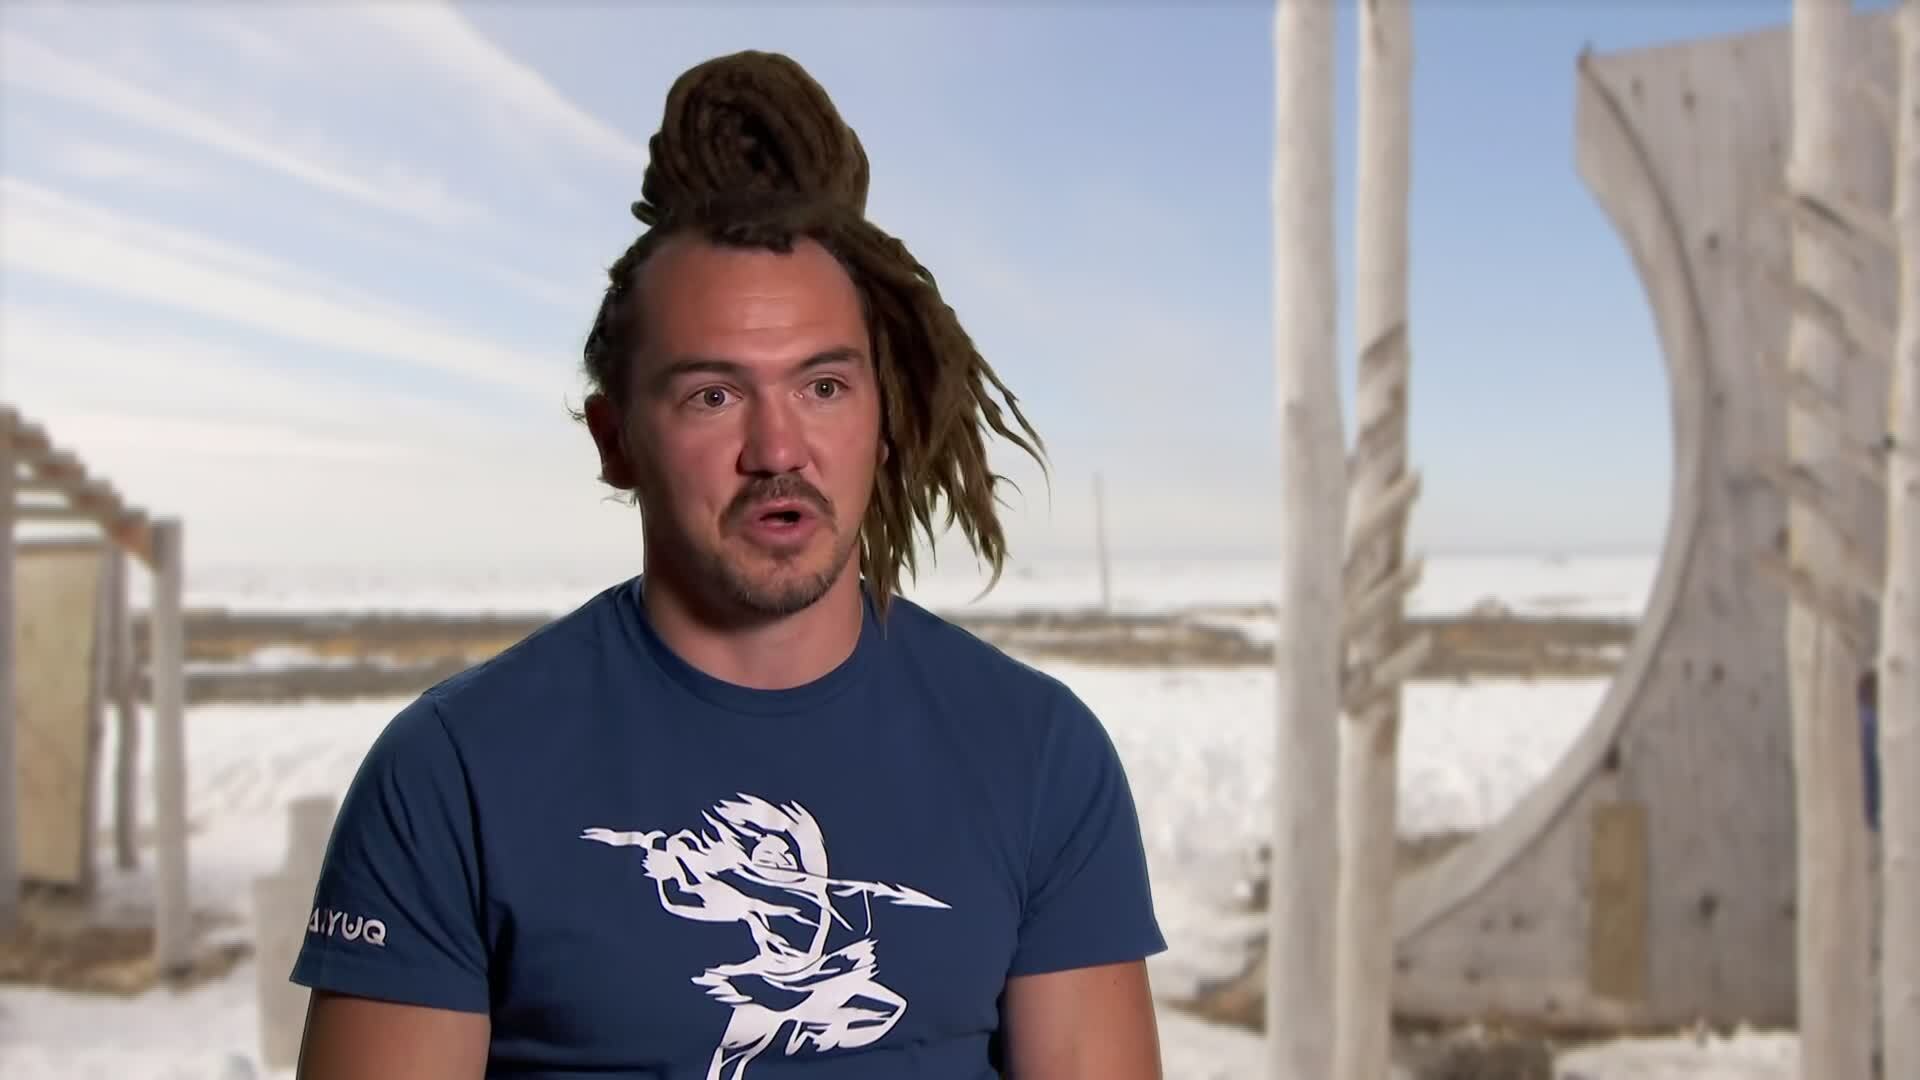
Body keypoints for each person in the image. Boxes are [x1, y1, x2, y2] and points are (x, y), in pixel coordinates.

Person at [288, 49, 1166, 1080]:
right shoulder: (451, 774)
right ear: (616, 440)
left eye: (824, 387)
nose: (779, 448)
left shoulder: (1039, 757)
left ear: (882, 419)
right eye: (713, 395)